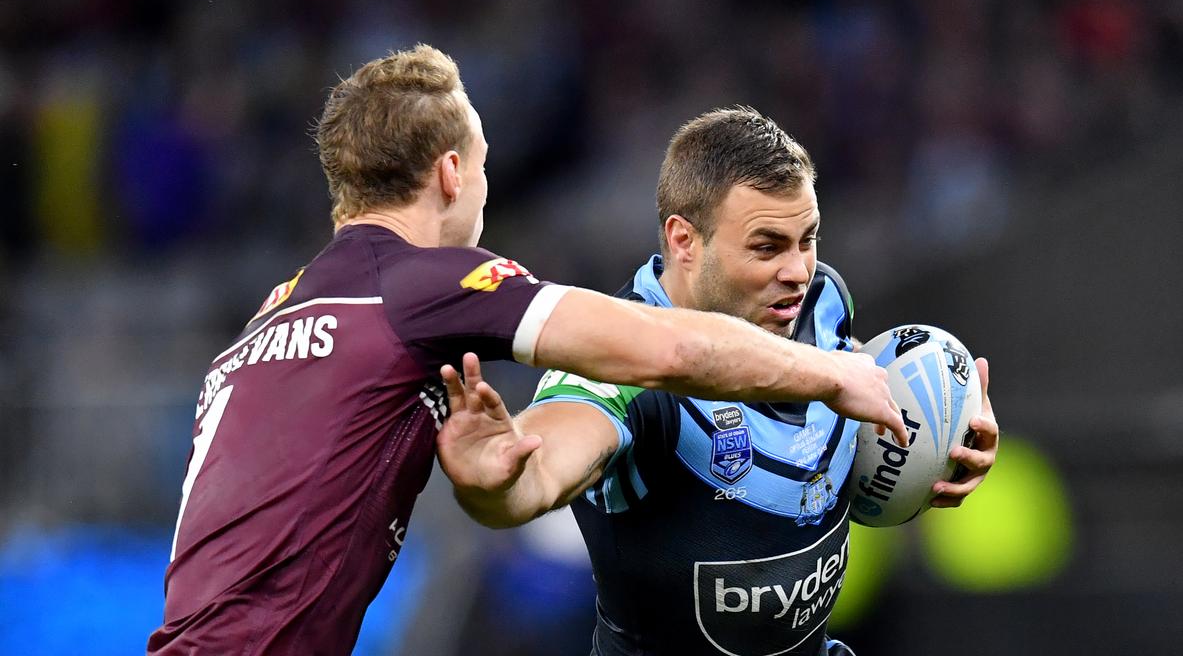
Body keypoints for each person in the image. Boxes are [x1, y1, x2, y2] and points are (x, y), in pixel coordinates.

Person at [147, 48, 909, 654]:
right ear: (452, 171)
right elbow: (658, 345)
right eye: (483, 158)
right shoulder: (420, 282)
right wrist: (839, 376)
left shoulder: (271, 319)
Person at [439, 107, 1000, 656]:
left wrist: (943, 440)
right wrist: (497, 483)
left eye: (808, 239)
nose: (797, 270)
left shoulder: (822, 303)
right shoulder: (617, 370)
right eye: (767, 247)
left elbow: (848, 408)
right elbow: (542, 468)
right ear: (683, 241)